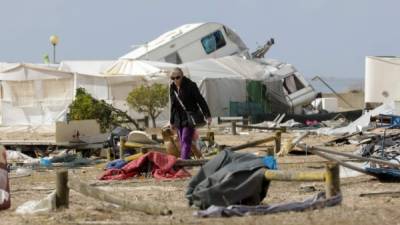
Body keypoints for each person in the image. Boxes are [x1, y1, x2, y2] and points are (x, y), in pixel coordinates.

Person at [169, 68, 211, 160]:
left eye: (177, 77)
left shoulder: (191, 85)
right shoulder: (172, 87)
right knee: (182, 141)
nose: (175, 80)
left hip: (190, 117)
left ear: (182, 76)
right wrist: (171, 121)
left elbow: (201, 100)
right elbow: (173, 105)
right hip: (178, 118)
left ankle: (184, 162)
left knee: (185, 139)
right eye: (173, 78)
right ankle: (187, 160)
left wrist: (207, 115)